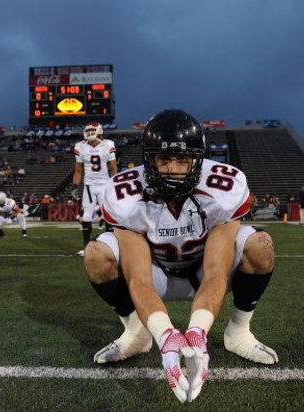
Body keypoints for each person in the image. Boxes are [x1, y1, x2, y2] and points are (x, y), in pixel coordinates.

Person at [83, 110, 277, 403]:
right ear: (149, 160)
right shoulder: (125, 194)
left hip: (202, 272)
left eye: (183, 160)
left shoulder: (224, 186)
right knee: (96, 253)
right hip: (156, 271)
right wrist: (166, 336)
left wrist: (197, 332)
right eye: (164, 159)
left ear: (197, 159)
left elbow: (216, 273)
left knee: (260, 245)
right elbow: (139, 280)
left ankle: (238, 331)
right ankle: (137, 332)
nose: (173, 169)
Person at [72, 122, 117, 256]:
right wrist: (75, 186)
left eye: (93, 130)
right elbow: (78, 170)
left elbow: (113, 168)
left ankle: (110, 246)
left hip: (104, 184)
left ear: (99, 131)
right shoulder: (80, 146)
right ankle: (86, 247)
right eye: (88, 130)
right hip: (89, 185)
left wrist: (114, 184)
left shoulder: (108, 144)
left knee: (108, 216)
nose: (90, 133)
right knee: (86, 216)